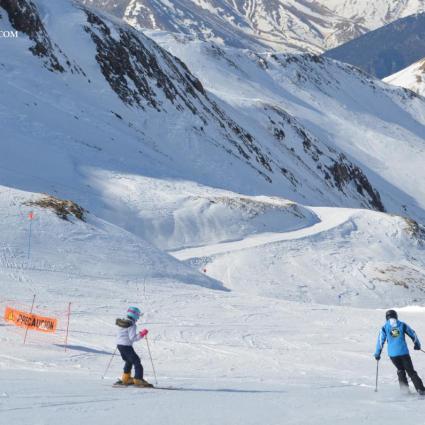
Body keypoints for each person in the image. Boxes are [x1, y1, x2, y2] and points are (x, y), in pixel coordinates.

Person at [374, 309, 425, 395]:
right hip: (404, 353)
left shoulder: (384, 327)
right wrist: (417, 345)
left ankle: (404, 391)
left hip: (393, 355)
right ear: (396, 316)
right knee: (411, 371)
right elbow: (413, 334)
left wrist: (377, 353)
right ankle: (421, 390)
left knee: (400, 370)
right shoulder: (402, 324)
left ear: (387, 317)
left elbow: (380, 341)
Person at [115, 306, 153, 388]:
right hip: (126, 346)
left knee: (129, 361)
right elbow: (133, 338)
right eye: (138, 315)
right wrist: (142, 334)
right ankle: (138, 379)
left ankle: (126, 378)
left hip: (120, 345)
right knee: (136, 361)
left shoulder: (123, 322)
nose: (138, 318)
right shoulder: (131, 324)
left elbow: (121, 335)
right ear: (136, 315)